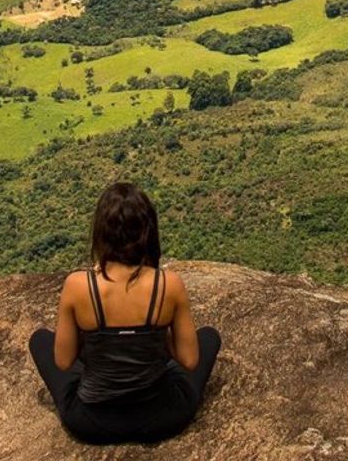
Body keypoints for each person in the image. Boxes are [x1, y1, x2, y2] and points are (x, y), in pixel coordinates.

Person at [29, 181, 221, 445]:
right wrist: (153, 338)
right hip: (163, 418)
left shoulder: (78, 285)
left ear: (100, 233)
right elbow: (189, 360)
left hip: (92, 422)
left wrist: (99, 338)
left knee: (39, 339)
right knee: (209, 336)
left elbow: (64, 361)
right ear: (148, 232)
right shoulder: (168, 284)